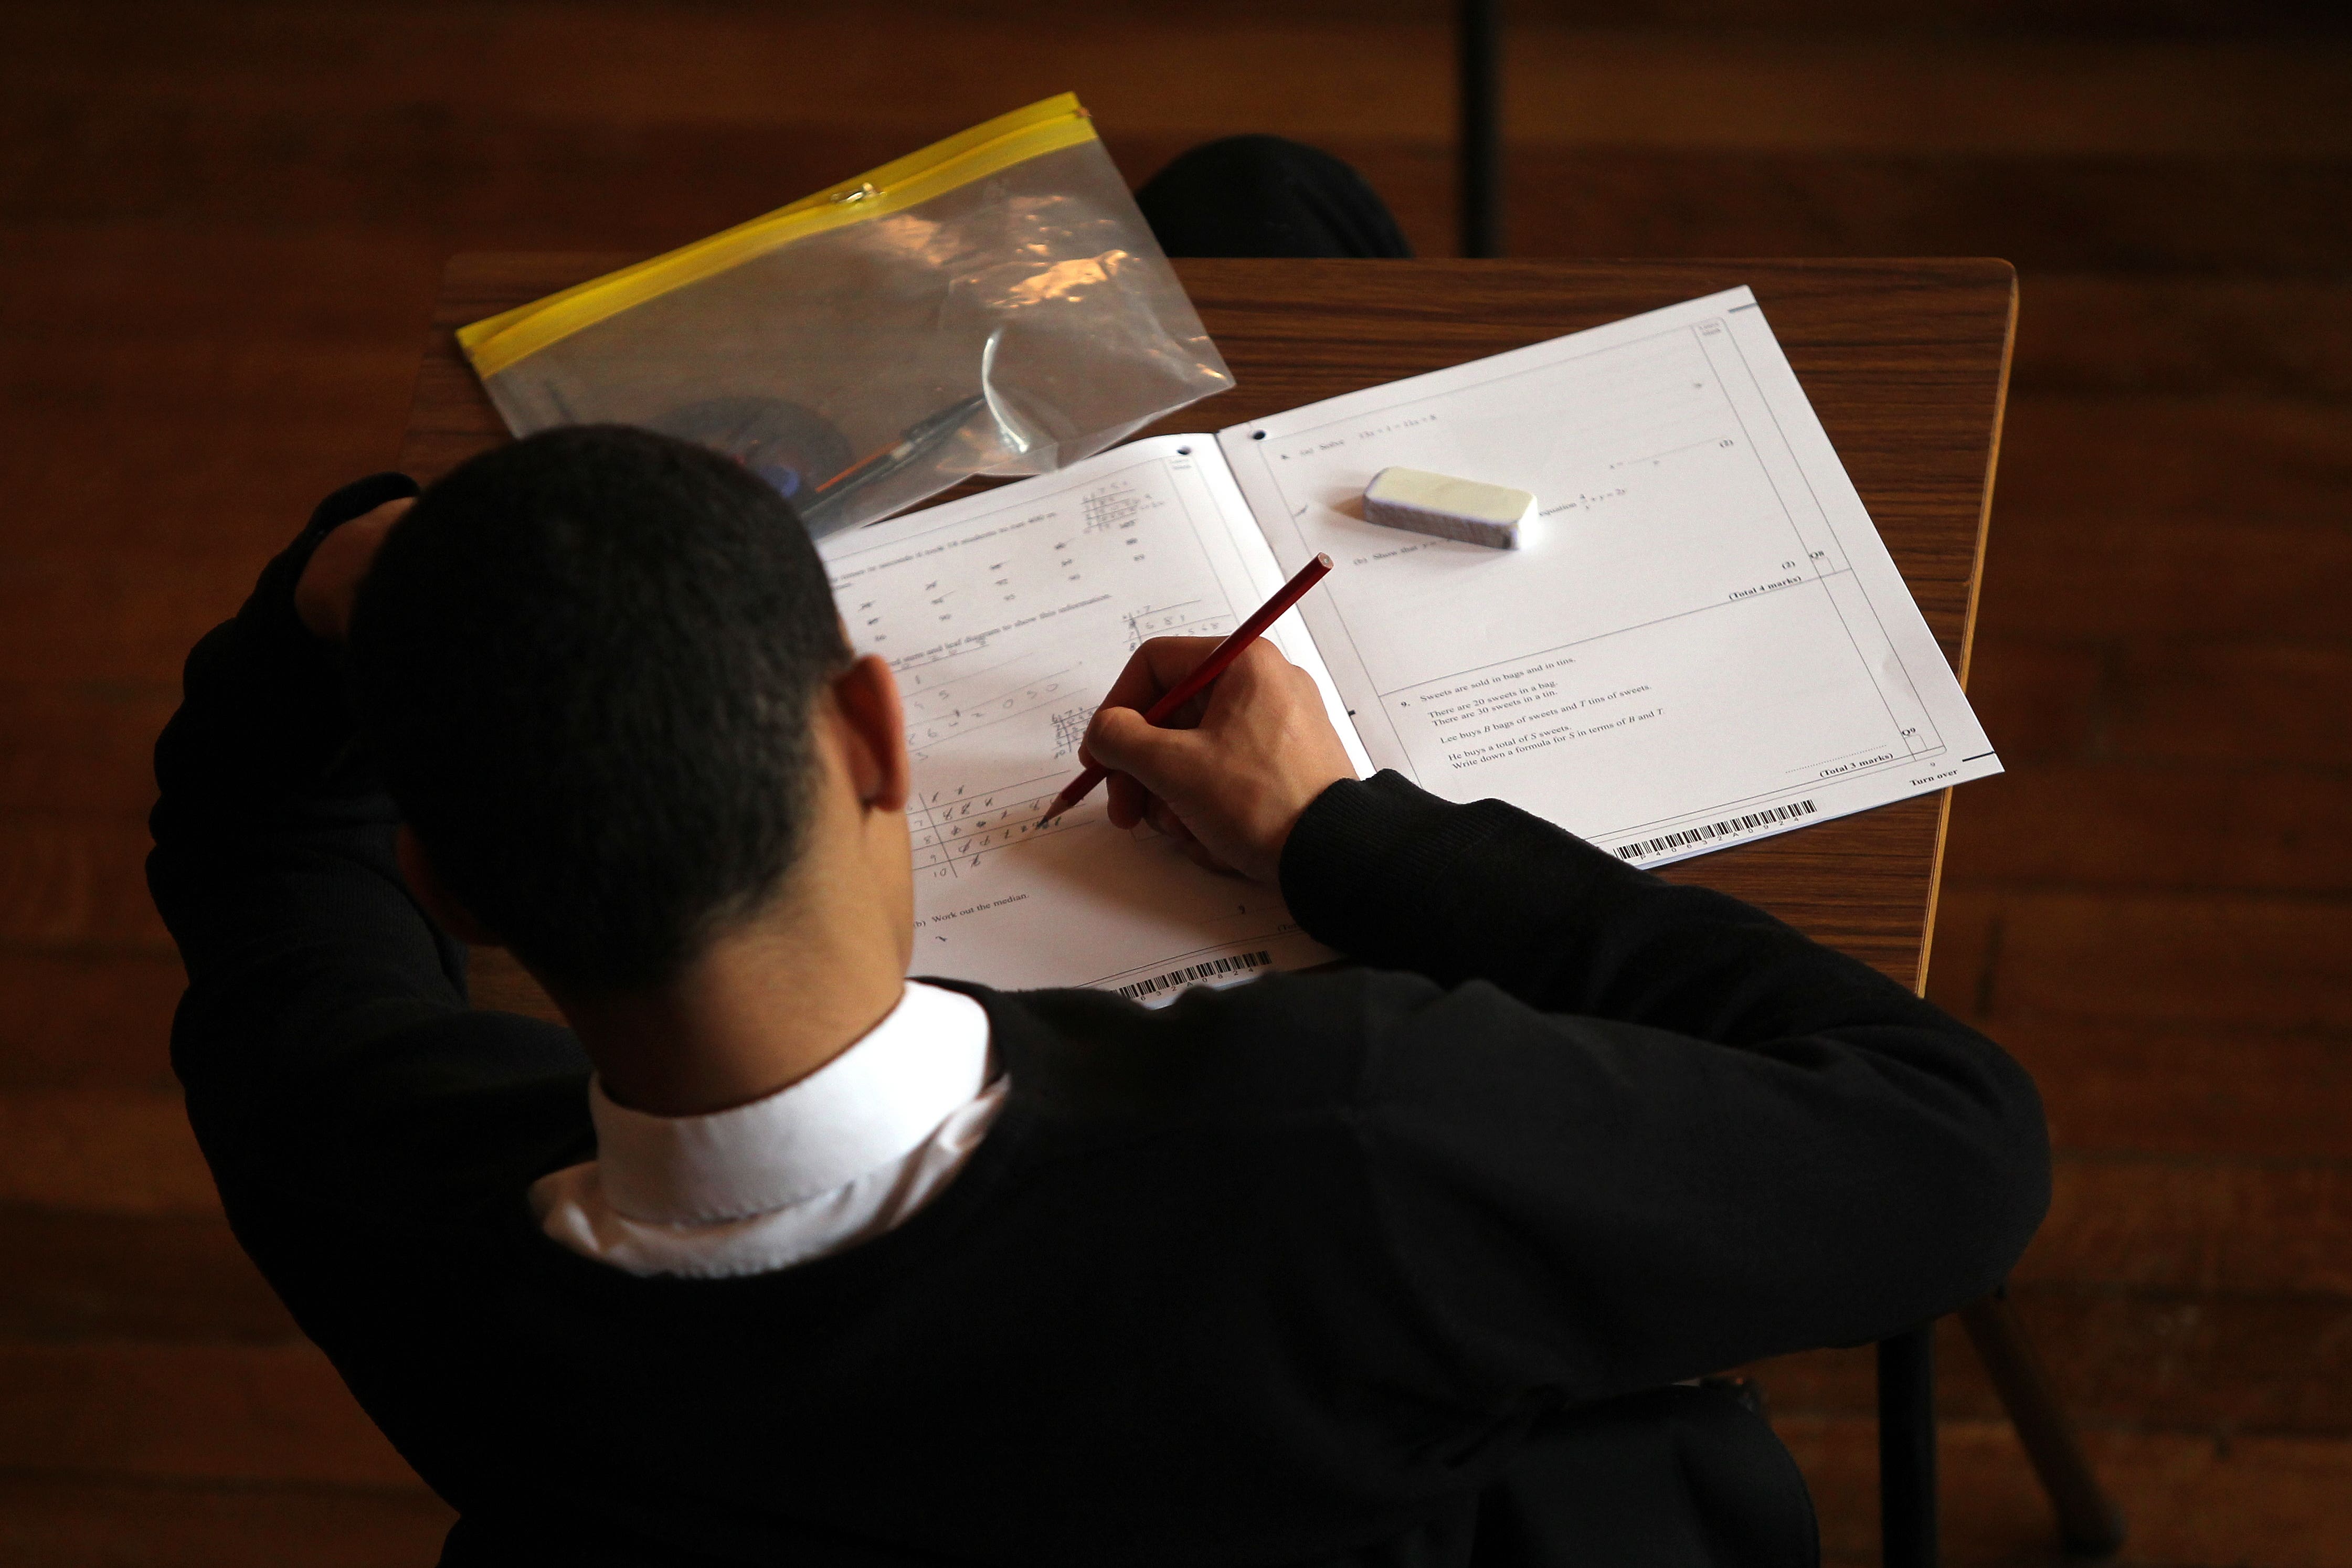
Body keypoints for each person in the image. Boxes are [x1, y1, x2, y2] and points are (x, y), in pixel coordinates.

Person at [149, 145, 2047, 1568]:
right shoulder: (1340, 1146)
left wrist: (339, 581)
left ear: (454, 887)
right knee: (1269, 190)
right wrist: (1344, 838)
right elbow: (1952, 1149)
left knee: (1242, 201)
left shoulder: (367, 1175)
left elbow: (249, 855)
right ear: (877, 732)